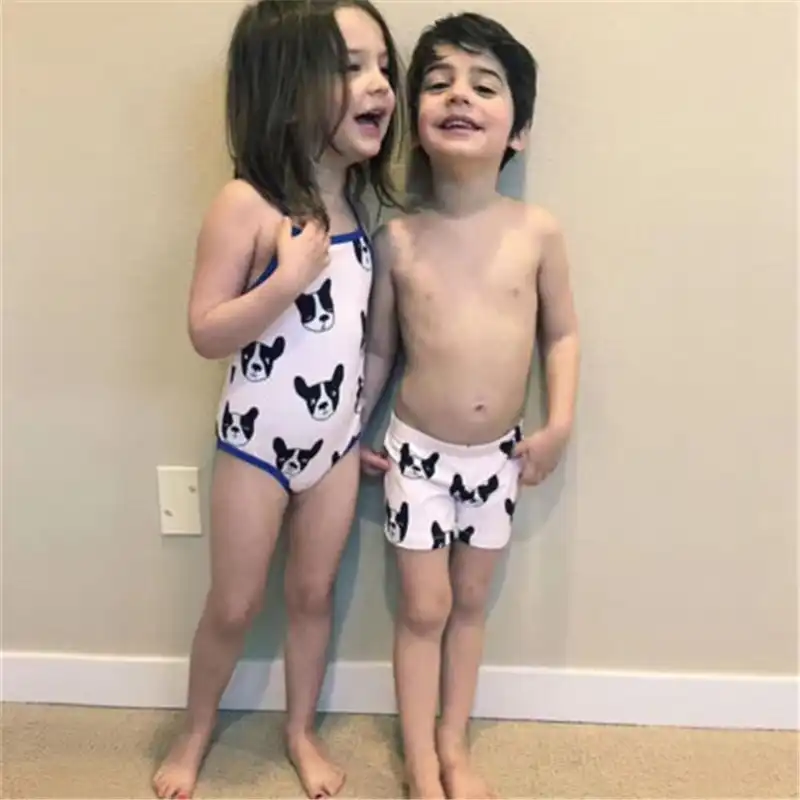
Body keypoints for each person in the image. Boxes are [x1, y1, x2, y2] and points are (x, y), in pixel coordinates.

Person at [152, 1, 403, 797]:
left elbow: (367, 344)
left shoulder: (359, 209)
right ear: (287, 92)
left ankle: (299, 730)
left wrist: (355, 421)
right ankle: (196, 730)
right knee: (234, 603)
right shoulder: (247, 205)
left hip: (333, 447)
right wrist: (286, 281)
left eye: (384, 67)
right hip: (256, 444)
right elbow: (205, 330)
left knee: (311, 594)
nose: (380, 85)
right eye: (352, 67)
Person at [360, 12, 580, 800]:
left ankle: (455, 743)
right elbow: (379, 351)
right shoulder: (398, 238)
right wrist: (353, 431)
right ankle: (420, 758)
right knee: (425, 607)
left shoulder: (537, 232)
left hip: (499, 458)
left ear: (518, 130)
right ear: (415, 120)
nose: (460, 96)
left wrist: (558, 423)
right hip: (416, 455)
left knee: (472, 601)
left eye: (485, 86)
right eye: (440, 83)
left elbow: (562, 334)